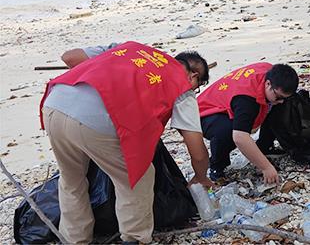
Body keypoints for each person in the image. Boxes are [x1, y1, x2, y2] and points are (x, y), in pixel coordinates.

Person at [39, 41, 213, 244]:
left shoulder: (130, 47)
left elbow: (69, 57)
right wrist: (201, 177)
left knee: (71, 180)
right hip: (95, 121)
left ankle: (73, 239)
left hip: (56, 104)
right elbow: (197, 150)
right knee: (137, 177)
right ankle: (134, 238)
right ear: (194, 77)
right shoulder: (181, 87)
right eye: (198, 86)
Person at [197, 62, 299, 184]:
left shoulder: (270, 72)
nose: (281, 101)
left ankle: (264, 147)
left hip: (230, 102)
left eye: (285, 97)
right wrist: (266, 167)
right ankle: (216, 167)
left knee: (280, 108)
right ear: (268, 84)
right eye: (279, 97)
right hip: (205, 113)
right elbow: (240, 137)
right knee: (226, 131)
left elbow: (278, 100)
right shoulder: (247, 99)